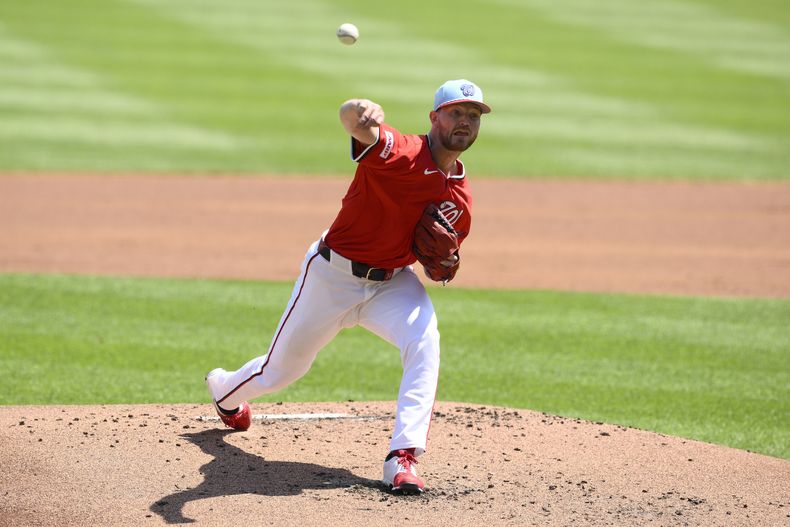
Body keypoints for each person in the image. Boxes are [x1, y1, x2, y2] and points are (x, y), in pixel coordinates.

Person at [205, 79, 491, 494]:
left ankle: (403, 457)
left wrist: (446, 265)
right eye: (456, 112)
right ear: (434, 118)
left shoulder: (459, 195)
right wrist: (360, 108)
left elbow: (440, 267)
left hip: (393, 283)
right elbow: (352, 121)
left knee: (424, 341)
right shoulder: (401, 151)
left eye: (473, 115)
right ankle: (224, 391)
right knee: (282, 370)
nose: (464, 121)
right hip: (332, 276)